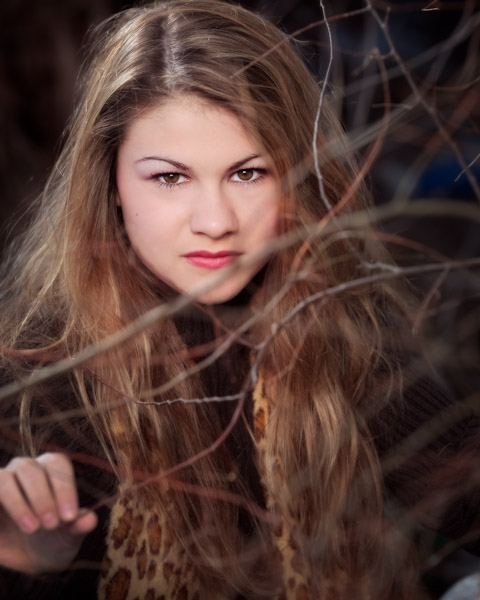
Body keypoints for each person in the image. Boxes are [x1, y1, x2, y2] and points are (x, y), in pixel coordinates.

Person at [0, 1, 479, 599]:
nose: (216, 221)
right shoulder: (41, 371)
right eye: (170, 178)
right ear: (110, 183)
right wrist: (34, 562)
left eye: (248, 173)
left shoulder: (334, 323)